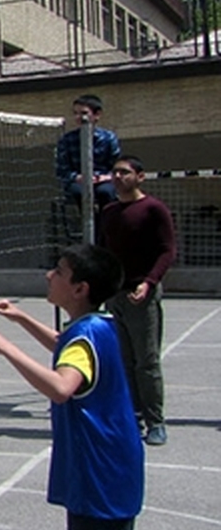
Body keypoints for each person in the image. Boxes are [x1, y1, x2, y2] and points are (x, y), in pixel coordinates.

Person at [0, 244, 143, 530]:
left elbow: (62, 386)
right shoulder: (94, 326)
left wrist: (6, 347)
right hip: (102, 469)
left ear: (80, 288)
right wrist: (22, 320)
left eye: (60, 272)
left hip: (104, 475)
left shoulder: (88, 335)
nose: (49, 275)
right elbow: (65, 348)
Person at [99, 155, 177, 447]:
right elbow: (103, 252)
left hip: (141, 295)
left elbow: (167, 250)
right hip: (116, 295)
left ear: (140, 177)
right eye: (115, 173)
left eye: (125, 173)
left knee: (147, 362)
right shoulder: (109, 212)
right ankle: (132, 417)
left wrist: (148, 282)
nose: (119, 178)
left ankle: (156, 422)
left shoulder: (153, 209)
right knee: (125, 361)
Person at [56, 94, 122, 211]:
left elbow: (116, 165)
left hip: (103, 180)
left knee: (105, 193)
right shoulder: (66, 140)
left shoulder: (109, 138)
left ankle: (105, 223)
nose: (79, 117)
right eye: (76, 113)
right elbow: (61, 169)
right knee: (78, 193)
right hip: (78, 182)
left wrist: (105, 177)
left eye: (84, 113)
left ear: (97, 115)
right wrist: (77, 177)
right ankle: (89, 226)